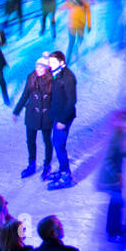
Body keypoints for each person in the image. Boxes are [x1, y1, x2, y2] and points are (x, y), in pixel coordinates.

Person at [98, 111, 126, 242]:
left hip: (114, 179)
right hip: (111, 179)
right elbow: (108, 160)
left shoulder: (121, 135)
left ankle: (113, 228)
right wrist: (117, 175)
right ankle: (113, 232)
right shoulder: (116, 137)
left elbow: (124, 151)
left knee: (116, 203)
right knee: (116, 204)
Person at [14, 56, 54, 179]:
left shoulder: (52, 81)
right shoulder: (31, 78)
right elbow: (25, 95)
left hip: (46, 117)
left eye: (42, 67)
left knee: (47, 141)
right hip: (32, 115)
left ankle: (47, 165)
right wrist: (16, 111)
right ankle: (31, 165)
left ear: (47, 69)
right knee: (30, 141)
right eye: (37, 66)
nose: (39, 69)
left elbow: (56, 100)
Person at [46, 51, 77, 189]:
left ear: (61, 62)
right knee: (56, 143)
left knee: (59, 144)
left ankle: (66, 175)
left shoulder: (68, 77)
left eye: (52, 62)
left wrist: (63, 120)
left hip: (64, 117)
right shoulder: (56, 73)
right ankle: (62, 169)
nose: (49, 65)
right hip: (57, 114)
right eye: (49, 62)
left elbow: (72, 101)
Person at [60, 0, 92, 64]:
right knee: (72, 42)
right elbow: (63, 6)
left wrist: (89, 25)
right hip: (73, 26)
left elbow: (88, 14)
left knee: (78, 40)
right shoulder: (71, 2)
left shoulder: (85, 4)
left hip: (79, 26)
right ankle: (68, 58)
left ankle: (76, 52)